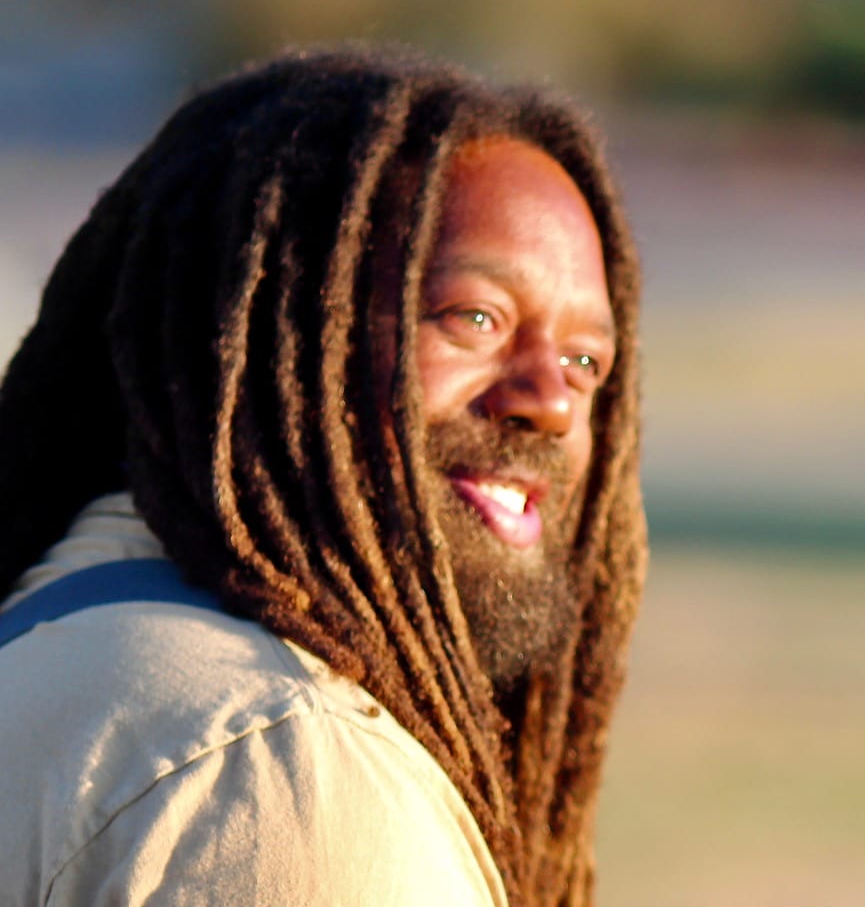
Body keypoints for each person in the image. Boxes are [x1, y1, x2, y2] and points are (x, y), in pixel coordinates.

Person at [0, 44, 646, 906]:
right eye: (475, 318)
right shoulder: (290, 777)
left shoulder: (55, 623)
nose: (553, 403)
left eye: (584, 361)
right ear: (270, 324)